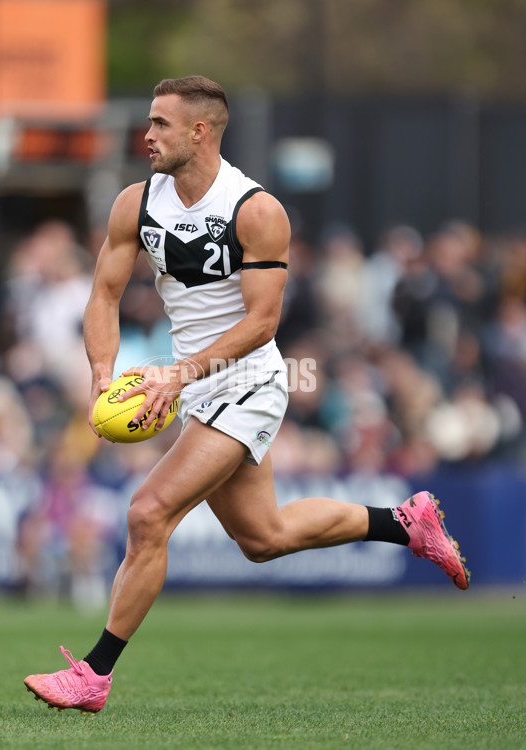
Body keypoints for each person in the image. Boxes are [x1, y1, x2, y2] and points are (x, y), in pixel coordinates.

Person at [24, 76, 470, 714]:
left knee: (148, 513)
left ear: (199, 132)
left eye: (160, 124)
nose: (146, 136)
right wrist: (102, 371)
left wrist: (178, 376)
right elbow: (104, 295)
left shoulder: (255, 210)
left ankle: (93, 676)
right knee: (264, 537)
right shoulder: (135, 203)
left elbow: (263, 323)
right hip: (196, 383)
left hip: (249, 381)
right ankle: (406, 523)